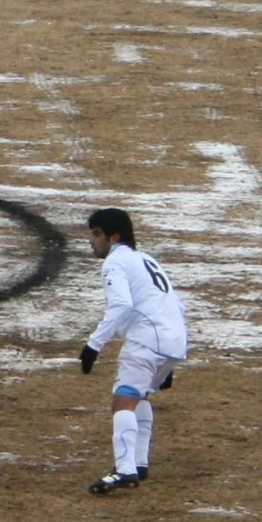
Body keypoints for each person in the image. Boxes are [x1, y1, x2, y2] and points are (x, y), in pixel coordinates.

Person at [77, 207, 188, 494]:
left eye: (97, 234)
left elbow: (121, 305)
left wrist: (93, 345)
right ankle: (139, 463)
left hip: (147, 339)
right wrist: (169, 360)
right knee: (140, 396)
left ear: (114, 237)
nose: (92, 240)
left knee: (123, 400)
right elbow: (174, 303)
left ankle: (125, 470)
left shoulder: (115, 262)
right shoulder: (147, 260)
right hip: (173, 340)